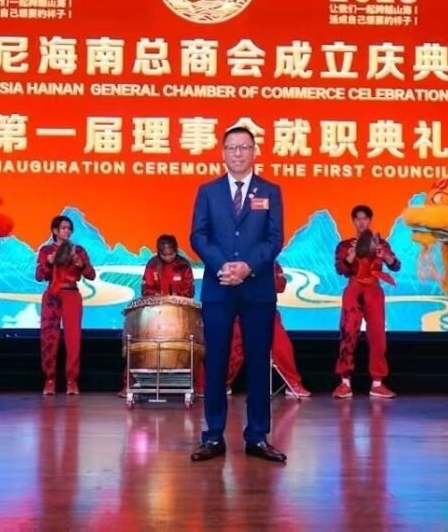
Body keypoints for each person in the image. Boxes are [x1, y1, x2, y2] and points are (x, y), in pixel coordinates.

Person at [189, 126, 285, 463]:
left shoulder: (270, 191)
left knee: (258, 363)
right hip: (219, 287)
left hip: (257, 289)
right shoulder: (208, 191)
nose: (238, 153)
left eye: (244, 147)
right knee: (215, 361)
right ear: (223, 153)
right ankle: (213, 435)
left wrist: (248, 267)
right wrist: (223, 266)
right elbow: (198, 236)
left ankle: (257, 436)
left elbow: (274, 238)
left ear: (254, 152)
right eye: (232, 148)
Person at [119, 234, 199, 397]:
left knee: (193, 347)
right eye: (164, 255)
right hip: (155, 314)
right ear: (159, 252)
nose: (168, 257)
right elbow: (146, 288)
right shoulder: (152, 264)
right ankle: (129, 384)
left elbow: (189, 290)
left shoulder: (183, 265)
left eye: (171, 254)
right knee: (138, 346)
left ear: (176, 251)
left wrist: (175, 296)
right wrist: (156, 296)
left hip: (178, 314)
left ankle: (198, 386)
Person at [333, 205, 399, 399]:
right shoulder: (345, 245)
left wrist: (384, 255)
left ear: (369, 221)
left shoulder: (381, 244)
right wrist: (352, 254)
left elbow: (396, 265)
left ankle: (377, 383)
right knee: (348, 333)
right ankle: (345, 383)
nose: (361, 222)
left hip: (373, 290)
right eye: (358, 219)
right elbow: (341, 269)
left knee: (378, 335)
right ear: (353, 221)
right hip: (354, 289)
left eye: (365, 219)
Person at [226, 261, 310, 398]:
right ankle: (221, 383)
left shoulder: (271, 262)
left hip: (266, 311)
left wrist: (276, 279)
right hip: (240, 312)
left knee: (282, 347)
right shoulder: (235, 261)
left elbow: (280, 287)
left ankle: (293, 383)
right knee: (233, 348)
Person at [36, 215, 95, 395]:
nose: (67, 231)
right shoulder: (46, 250)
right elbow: (39, 276)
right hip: (52, 295)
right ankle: (50, 379)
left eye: (69, 228)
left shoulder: (78, 250)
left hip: (71, 294)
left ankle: (72, 380)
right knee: (49, 337)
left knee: (73, 338)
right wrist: (49, 262)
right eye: (63, 228)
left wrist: (81, 264)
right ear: (55, 231)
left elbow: (91, 275)